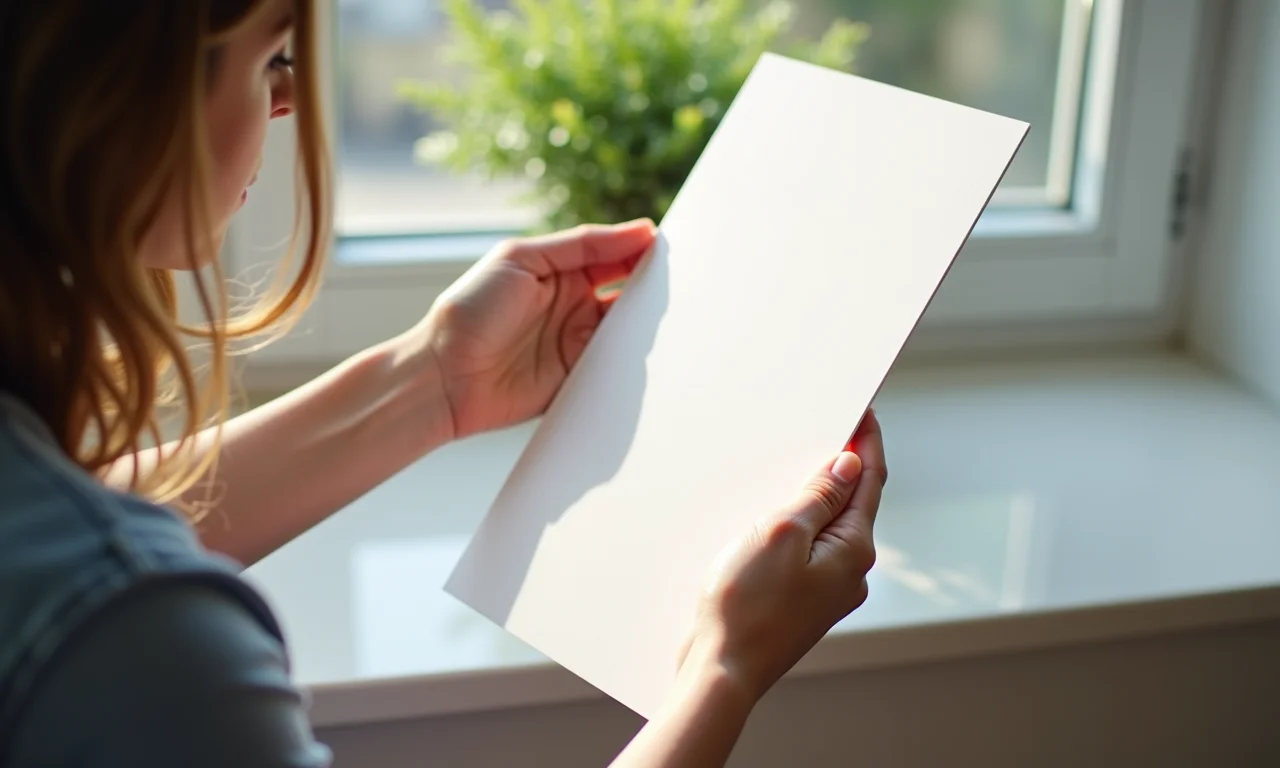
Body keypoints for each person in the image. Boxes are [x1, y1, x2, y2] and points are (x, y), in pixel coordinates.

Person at [0, 1, 887, 766]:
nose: (286, 101)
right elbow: (96, 580)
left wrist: (433, 381)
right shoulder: (145, 652)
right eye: (270, 55)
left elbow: (65, 539)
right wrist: (723, 672)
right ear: (118, 88)